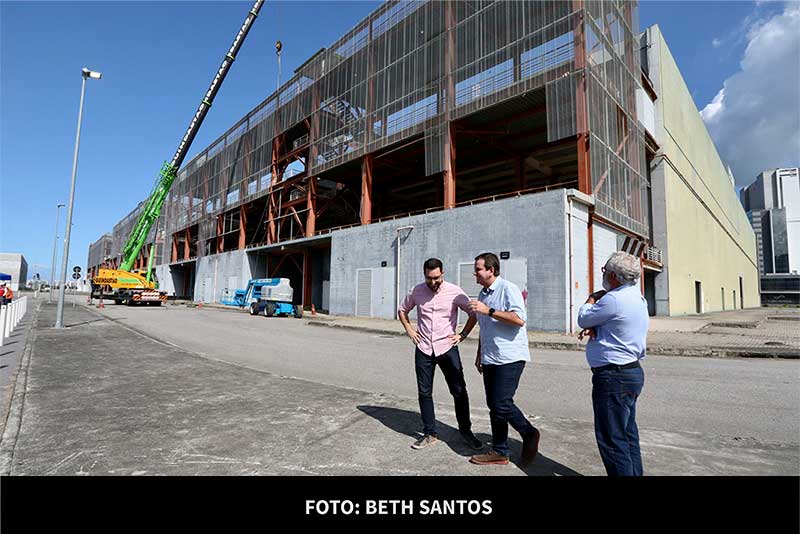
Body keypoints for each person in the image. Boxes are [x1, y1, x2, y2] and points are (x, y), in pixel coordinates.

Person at [398, 258, 483, 451]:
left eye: (436, 278)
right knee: (424, 392)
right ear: (424, 275)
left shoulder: (455, 291)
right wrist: (411, 331)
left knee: (459, 391)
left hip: (447, 348)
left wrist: (462, 335)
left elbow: (473, 314)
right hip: (424, 348)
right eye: (429, 278)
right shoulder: (417, 291)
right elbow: (402, 311)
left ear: (442, 273)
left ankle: (466, 432)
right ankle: (430, 433)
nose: (433, 282)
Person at [577, 251, 648, 476]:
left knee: (612, 440)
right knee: (627, 436)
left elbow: (583, 317)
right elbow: (616, 326)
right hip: (630, 372)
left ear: (615, 276)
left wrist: (591, 298)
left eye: (605, 271)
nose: (603, 275)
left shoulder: (613, 299)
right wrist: (598, 327)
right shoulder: (636, 296)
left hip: (613, 377)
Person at [467, 252, 540, 466]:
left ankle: (529, 433)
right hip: (491, 356)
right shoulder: (483, 294)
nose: (475, 273)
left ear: (491, 270)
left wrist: (488, 310)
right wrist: (480, 353)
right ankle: (500, 451)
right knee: (493, 404)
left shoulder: (508, 289)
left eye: (479, 269)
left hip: (509, 356)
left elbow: (519, 319)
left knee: (501, 403)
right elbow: (485, 327)